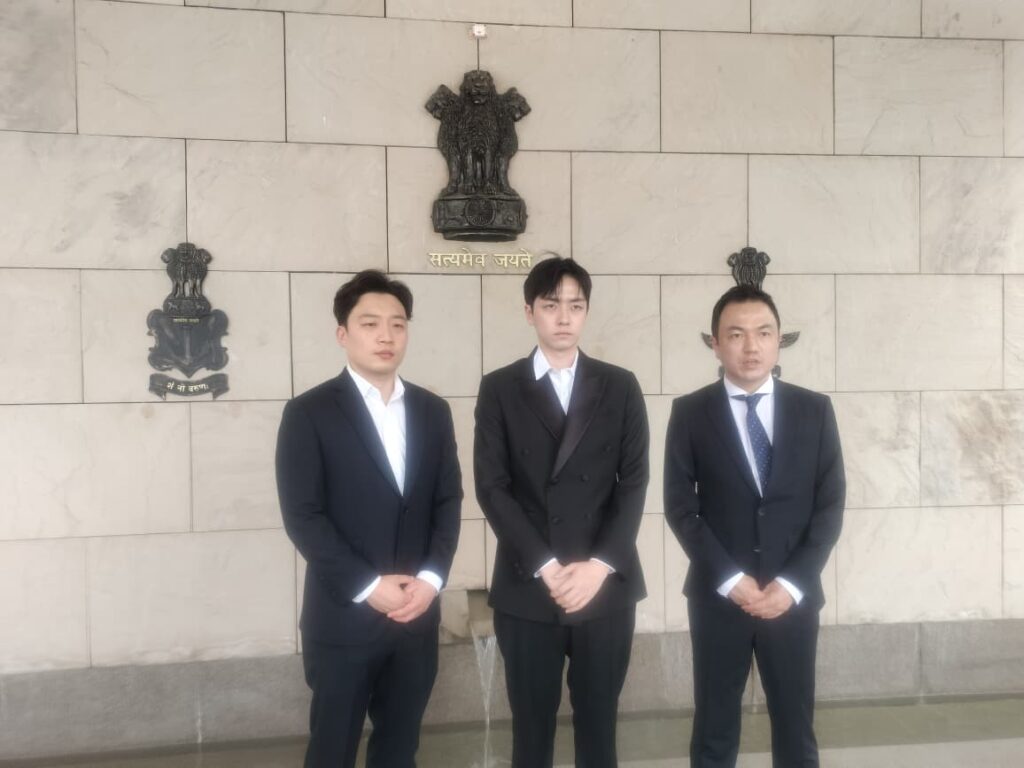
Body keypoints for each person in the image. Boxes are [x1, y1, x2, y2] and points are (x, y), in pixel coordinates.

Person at [276, 270, 462, 768]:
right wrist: (367, 585)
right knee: (332, 751)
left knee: (400, 751)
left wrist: (431, 580)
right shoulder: (308, 413)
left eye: (398, 324)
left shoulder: (433, 410)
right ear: (343, 334)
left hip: (415, 616)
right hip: (344, 618)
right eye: (370, 323)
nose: (386, 336)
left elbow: (448, 501)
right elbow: (303, 516)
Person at [474, 255, 649, 768]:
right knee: (531, 734)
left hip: (605, 583)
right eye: (552, 305)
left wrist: (598, 566)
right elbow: (492, 487)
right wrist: (547, 567)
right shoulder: (500, 387)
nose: (564, 317)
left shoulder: (620, 385)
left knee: (600, 729)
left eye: (576, 305)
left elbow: (634, 483)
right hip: (529, 583)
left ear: (587, 311)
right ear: (529, 311)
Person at [665, 284, 845, 768]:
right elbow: (681, 508)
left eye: (763, 333)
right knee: (714, 732)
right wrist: (731, 579)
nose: (751, 346)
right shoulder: (690, 412)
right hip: (719, 598)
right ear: (715, 343)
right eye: (736, 334)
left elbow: (830, 507)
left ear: (779, 340)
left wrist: (792, 583)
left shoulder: (814, 410)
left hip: (792, 598)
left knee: (796, 732)